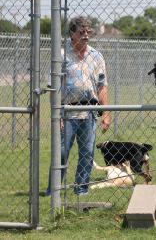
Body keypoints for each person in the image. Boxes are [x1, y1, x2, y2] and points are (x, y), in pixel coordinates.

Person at [45, 16, 111, 196]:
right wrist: (57, 113)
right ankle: (54, 191)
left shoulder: (96, 56)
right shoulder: (61, 55)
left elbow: (102, 86)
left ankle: (81, 189)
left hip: (89, 111)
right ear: (71, 34)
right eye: (81, 32)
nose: (86, 35)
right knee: (62, 152)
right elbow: (54, 87)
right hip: (67, 111)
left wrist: (105, 113)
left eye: (88, 32)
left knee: (88, 153)